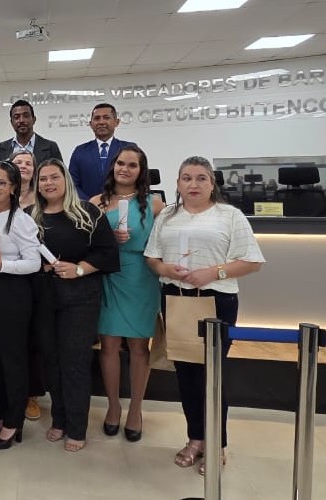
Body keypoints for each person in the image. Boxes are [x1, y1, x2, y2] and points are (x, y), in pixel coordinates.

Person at [145, 156, 264, 475]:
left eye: (201, 178)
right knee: (186, 375)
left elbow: (252, 261)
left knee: (212, 375)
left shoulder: (230, 215)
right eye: (186, 178)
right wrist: (164, 269)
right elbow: (152, 258)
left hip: (216, 300)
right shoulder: (167, 215)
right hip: (176, 299)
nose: (193, 184)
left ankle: (217, 443)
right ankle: (195, 438)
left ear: (212, 184)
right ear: (178, 183)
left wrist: (213, 272)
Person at [31, 158, 119, 452]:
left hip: (80, 298)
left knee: (75, 362)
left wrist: (79, 269)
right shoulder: (31, 217)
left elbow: (108, 253)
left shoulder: (87, 212)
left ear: (66, 180)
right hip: (45, 298)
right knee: (52, 360)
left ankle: (77, 426)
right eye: (43, 179)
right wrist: (40, 267)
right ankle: (59, 419)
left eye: (54, 177)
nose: (49, 183)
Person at [89, 145, 164, 442]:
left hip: (141, 276)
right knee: (108, 344)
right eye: (121, 163)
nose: (125, 169)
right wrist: (107, 238)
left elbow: (164, 241)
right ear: (113, 166)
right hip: (108, 274)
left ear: (141, 171)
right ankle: (113, 406)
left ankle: (135, 409)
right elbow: (86, 240)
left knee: (138, 346)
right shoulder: (96, 202)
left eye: (133, 165)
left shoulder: (155, 204)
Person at [0, 161, 40, 450]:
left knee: (12, 359)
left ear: (14, 187)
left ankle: (14, 420)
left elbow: (34, 262)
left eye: (1, 183)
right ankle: (1, 413)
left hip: (12, 292)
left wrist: (2, 264)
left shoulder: (20, 220)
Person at [10, 149, 42, 421]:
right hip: (5, 278)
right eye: (18, 162)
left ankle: (31, 395)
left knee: (32, 337)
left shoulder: (41, 199)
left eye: (28, 163)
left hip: (35, 276)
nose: (23, 166)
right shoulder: (0, 197)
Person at [68, 103, 135, 201]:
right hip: (87, 207)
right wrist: (90, 203)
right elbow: (72, 184)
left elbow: (138, 179)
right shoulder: (80, 151)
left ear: (116, 122)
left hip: (123, 205)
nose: (101, 122)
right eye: (97, 118)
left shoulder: (129, 149)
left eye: (106, 118)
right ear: (91, 124)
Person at [0, 99, 62, 166]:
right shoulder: (1, 148)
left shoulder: (50, 147)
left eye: (26, 116)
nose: (21, 120)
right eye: (16, 117)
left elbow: (59, 173)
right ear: (11, 122)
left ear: (34, 119)